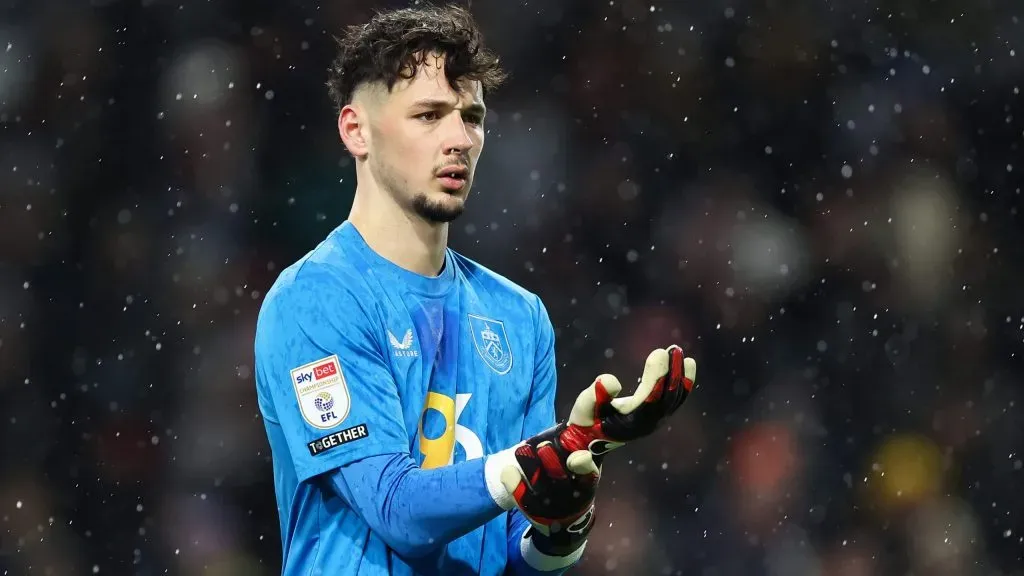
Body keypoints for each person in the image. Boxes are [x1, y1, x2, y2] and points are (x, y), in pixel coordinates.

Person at [253, 4, 698, 575]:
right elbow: (395, 510)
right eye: (429, 114)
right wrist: (532, 461)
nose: (459, 138)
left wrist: (563, 518)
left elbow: (521, 557)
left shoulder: (519, 318)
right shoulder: (314, 300)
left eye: (471, 116)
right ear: (355, 130)